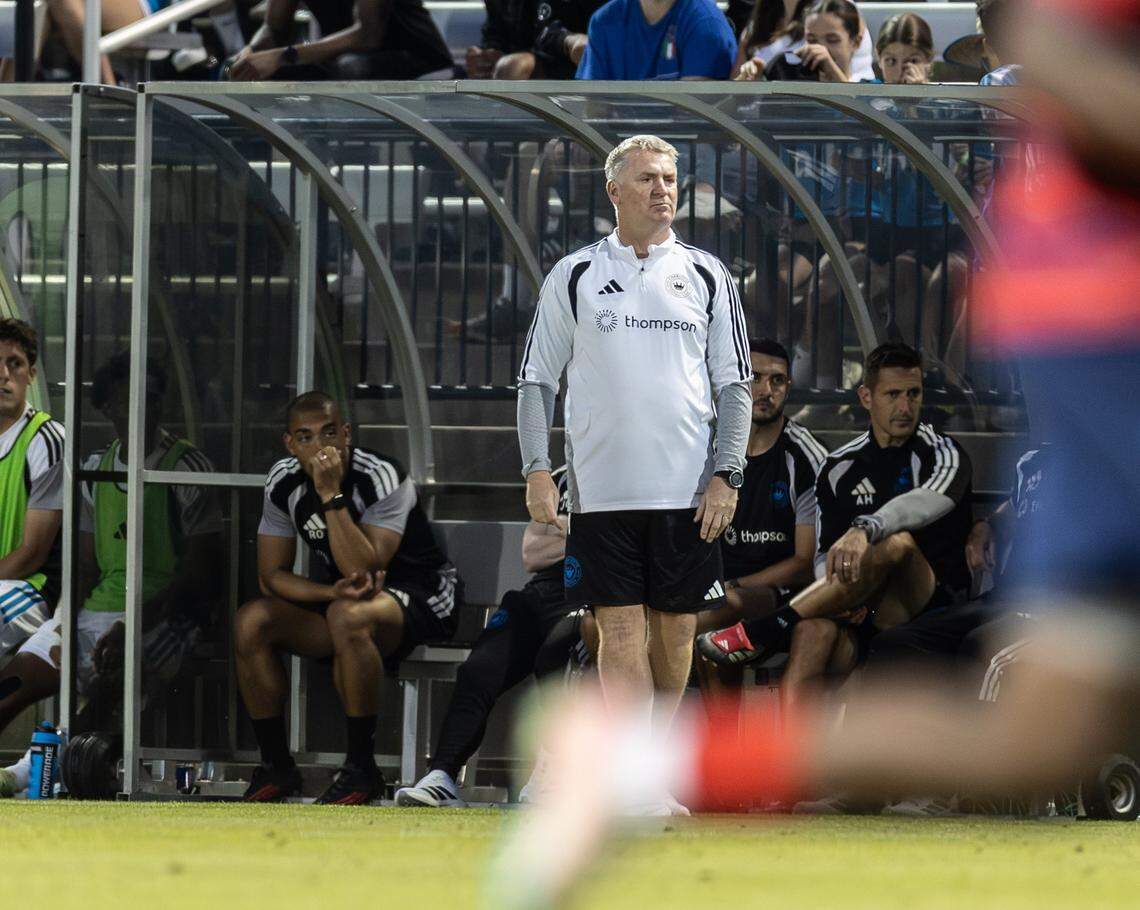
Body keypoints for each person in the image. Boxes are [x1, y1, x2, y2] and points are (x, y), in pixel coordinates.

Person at [517, 133, 751, 815]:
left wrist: (726, 474)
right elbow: (535, 381)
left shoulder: (707, 274)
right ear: (614, 190)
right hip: (600, 491)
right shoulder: (575, 274)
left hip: (685, 489)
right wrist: (536, 469)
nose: (663, 189)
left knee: (677, 631)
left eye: (671, 177)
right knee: (619, 631)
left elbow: (734, 386)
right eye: (648, 178)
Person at [0, 353, 222, 797]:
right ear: (107, 408)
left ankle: (44, 768)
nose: (143, 408)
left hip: (167, 616)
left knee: (117, 676)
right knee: (18, 676)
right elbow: (83, 566)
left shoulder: (186, 466)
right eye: (127, 400)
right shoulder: (93, 469)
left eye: (152, 398)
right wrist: (63, 624)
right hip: (97, 608)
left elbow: (201, 574)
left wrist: (129, 626)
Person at [235, 391, 462, 805]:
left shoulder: (379, 474)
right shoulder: (282, 480)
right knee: (252, 621)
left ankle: (361, 769)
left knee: (347, 617)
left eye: (328, 434)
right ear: (289, 443)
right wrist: (327, 591)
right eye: (304, 437)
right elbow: (271, 577)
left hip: (422, 592)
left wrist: (330, 495)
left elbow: (364, 570)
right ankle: (276, 767)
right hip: (347, 599)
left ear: (345, 434)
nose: (319, 447)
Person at [700, 342, 973, 666]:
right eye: (893, 394)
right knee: (812, 633)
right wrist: (842, 593)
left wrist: (865, 529)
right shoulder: (840, 465)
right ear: (866, 397)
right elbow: (823, 553)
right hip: (859, 602)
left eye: (913, 394)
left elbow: (929, 502)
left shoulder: (942, 451)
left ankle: (768, 627)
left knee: (896, 543)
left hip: (928, 598)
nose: (905, 406)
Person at [394, 466, 595, 808]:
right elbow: (532, 554)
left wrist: (565, 531)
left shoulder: (637, 476)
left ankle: (554, 776)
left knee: (555, 657)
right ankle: (442, 775)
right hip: (542, 591)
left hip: (594, 596)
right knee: (478, 670)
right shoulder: (561, 475)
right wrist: (592, 534)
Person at [694, 339, 832, 714]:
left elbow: (804, 563)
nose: (766, 390)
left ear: (788, 388)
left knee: (720, 610)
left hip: (777, 594)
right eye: (754, 378)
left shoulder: (805, 455)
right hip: (711, 589)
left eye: (778, 381)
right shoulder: (707, 447)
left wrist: (735, 585)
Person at [0, 319, 62, 664]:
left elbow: (32, 553)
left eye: (15, 363)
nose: (3, 375)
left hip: (33, 587)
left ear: (32, 374)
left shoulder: (46, 439)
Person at [227, 0, 454, 81]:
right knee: (244, 72)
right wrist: (250, 52)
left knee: (352, 67)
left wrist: (283, 56)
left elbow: (368, 35)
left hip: (419, 61)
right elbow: (273, 28)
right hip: (345, 62)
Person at [574, 0, 737, 80]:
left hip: (683, 143)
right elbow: (593, 109)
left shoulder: (706, 23)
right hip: (616, 142)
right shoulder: (604, 21)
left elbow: (698, 121)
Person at [466, 0, 599, 79]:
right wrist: (486, 55)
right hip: (538, 61)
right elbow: (495, 31)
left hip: (578, 68)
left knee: (512, 67)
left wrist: (570, 42)